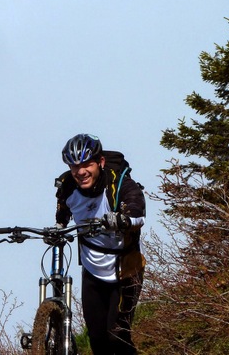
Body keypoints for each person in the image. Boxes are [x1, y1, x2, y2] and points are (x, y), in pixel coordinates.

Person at [55, 133, 146, 354]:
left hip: (125, 271)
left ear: (100, 163)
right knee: (97, 339)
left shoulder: (119, 183)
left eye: (87, 164)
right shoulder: (67, 186)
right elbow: (63, 213)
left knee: (117, 335)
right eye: (75, 166)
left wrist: (122, 220)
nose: (81, 172)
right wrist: (58, 229)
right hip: (92, 271)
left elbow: (138, 211)